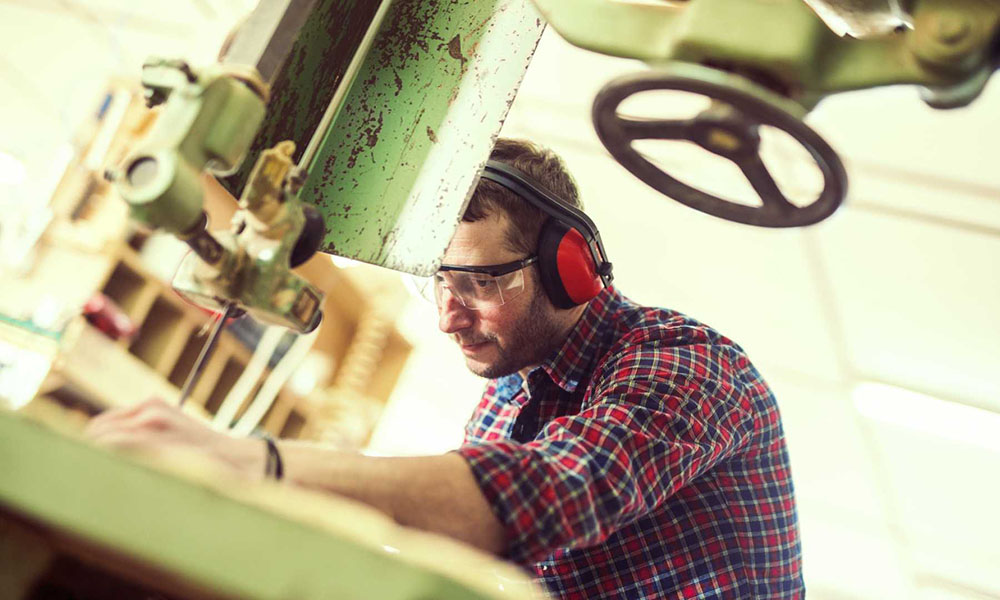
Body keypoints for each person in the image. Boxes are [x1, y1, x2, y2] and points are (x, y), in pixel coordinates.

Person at [88, 138, 804, 599]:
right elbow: (454, 546)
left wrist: (251, 462)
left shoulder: (690, 368)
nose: (448, 317)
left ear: (571, 267)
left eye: (481, 283)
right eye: (438, 283)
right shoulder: (502, 402)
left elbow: (549, 493)